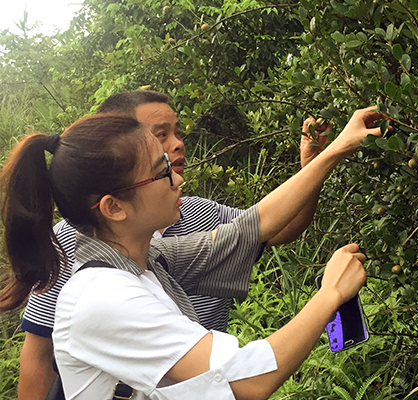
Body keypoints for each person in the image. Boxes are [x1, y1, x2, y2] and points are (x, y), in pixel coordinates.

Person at [0, 107, 385, 399]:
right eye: (161, 172)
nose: (177, 178)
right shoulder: (103, 297)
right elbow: (246, 380)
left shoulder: (147, 259)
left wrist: (334, 150)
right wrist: (331, 294)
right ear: (114, 207)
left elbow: (253, 227)